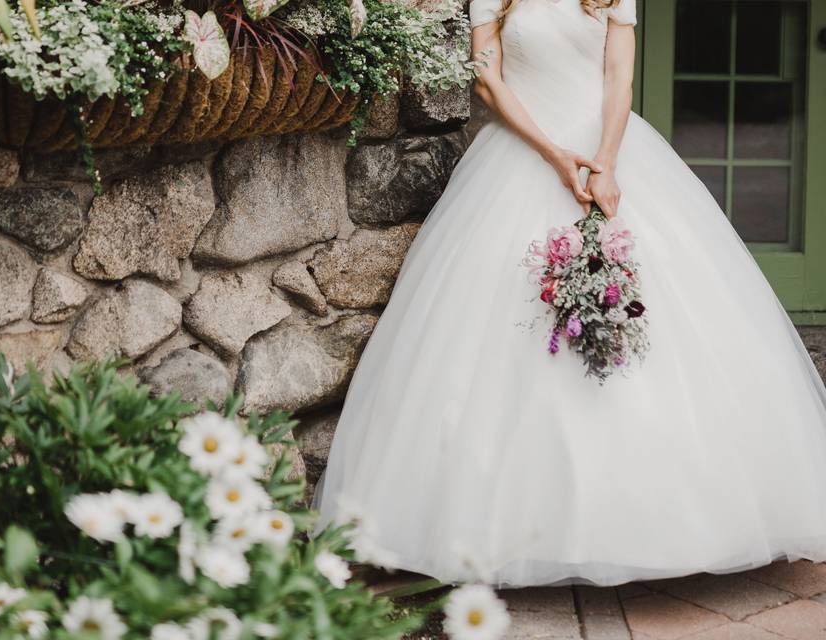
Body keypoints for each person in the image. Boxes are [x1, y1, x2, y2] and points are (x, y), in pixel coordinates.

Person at [313, 0, 826, 587]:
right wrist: (555, 155)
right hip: (523, 151)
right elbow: (487, 76)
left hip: (611, 148)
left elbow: (618, 75)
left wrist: (605, 163)